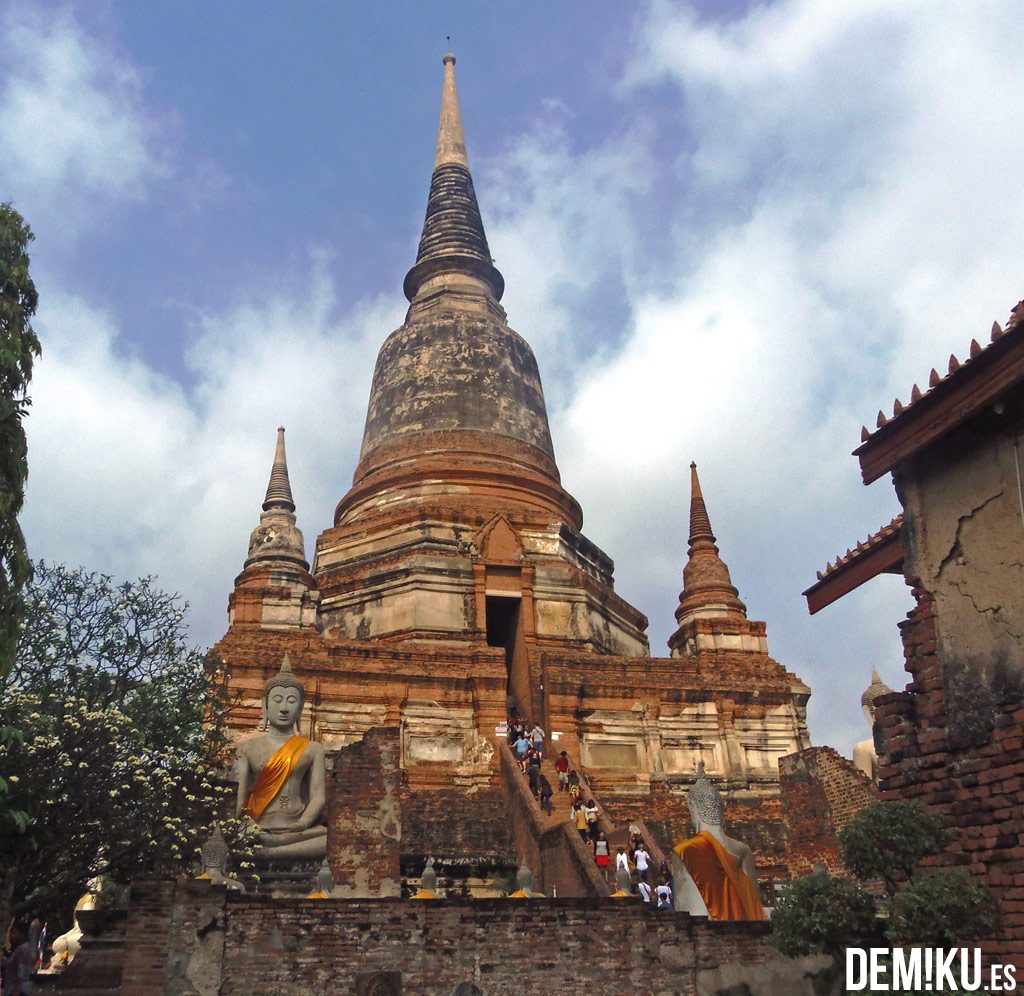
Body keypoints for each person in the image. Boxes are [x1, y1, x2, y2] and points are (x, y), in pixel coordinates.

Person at [3, 922, 32, 996]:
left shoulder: (23, 949)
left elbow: (21, 971)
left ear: (22, 934)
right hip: (13, 987)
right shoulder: (20, 948)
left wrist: (16, 990)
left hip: (16, 988)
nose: (12, 936)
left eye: (14, 933)